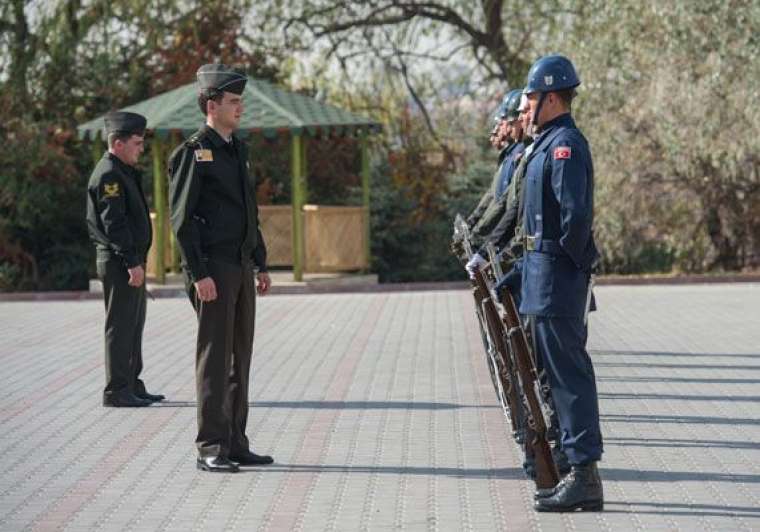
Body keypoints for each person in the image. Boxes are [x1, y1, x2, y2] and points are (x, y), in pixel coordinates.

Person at [169, 64, 273, 473]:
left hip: (241, 266)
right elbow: (182, 220)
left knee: (239, 358)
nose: (240, 107)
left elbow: (249, 212)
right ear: (212, 105)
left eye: (240, 101)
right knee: (214, 358)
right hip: (213, 269)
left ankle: (235, 442)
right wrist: (199, 274)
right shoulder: (194, 152)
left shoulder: (237, 149)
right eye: (233, 101)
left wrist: (260, 262)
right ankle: (210, 445)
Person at [517, 55, 603, 512]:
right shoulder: (547, 142)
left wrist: (568, 270)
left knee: (569, 380)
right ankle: (574, 471)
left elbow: (575, 222)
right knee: (554, 379)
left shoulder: (565, 145)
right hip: (541, 277)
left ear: (552, 97)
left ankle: (584, 473)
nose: (526, 104)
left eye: (531, 96)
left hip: (556, 280)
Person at [86, 111, 164, 407]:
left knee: (134, 324)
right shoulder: (109, 174)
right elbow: (114, 223)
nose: (140, 148)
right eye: (136, 143)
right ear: (118, 143)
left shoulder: (122, 170)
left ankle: (132, 382)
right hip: (120, 262)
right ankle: (116, 390)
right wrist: (132, 262)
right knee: (120, 325)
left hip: (130, 260)